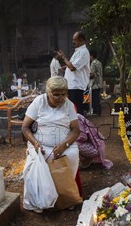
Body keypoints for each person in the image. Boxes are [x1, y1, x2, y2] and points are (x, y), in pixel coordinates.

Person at [21, 76, 80, 213]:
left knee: (72, 154)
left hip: (63, 144)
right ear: (48, 92)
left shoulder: (68, 104)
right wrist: (35, 143)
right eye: (56, 94)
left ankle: (64, 197)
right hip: (39, 144)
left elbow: (76, 130)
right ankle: (39, 199)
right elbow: (25, 127)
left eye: (63, 94)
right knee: (38, 159)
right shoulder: (39, 102)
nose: (61, 98)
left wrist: (64, 145)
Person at [57, 31, 90, 114]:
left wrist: (64, 58)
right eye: (73, 39)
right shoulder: (78, 51)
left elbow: (72, 67)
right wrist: (66, 67)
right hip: (71, 85)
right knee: (72, 110)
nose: (73, 42)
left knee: (77, 111)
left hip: (76, 86)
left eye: (75, 40)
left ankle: (80, 126)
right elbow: (71, 66)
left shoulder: (84, 52)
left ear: (81, 40)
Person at [88, 50, 102, 115]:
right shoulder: (99, 62)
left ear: (91, 56)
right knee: (97, 98)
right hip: (99, 82)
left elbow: (92, 74)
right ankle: (98, 111)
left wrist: (86, 75)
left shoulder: (93, 63)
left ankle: (95, 112)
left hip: (94, 84)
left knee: (94, 98)